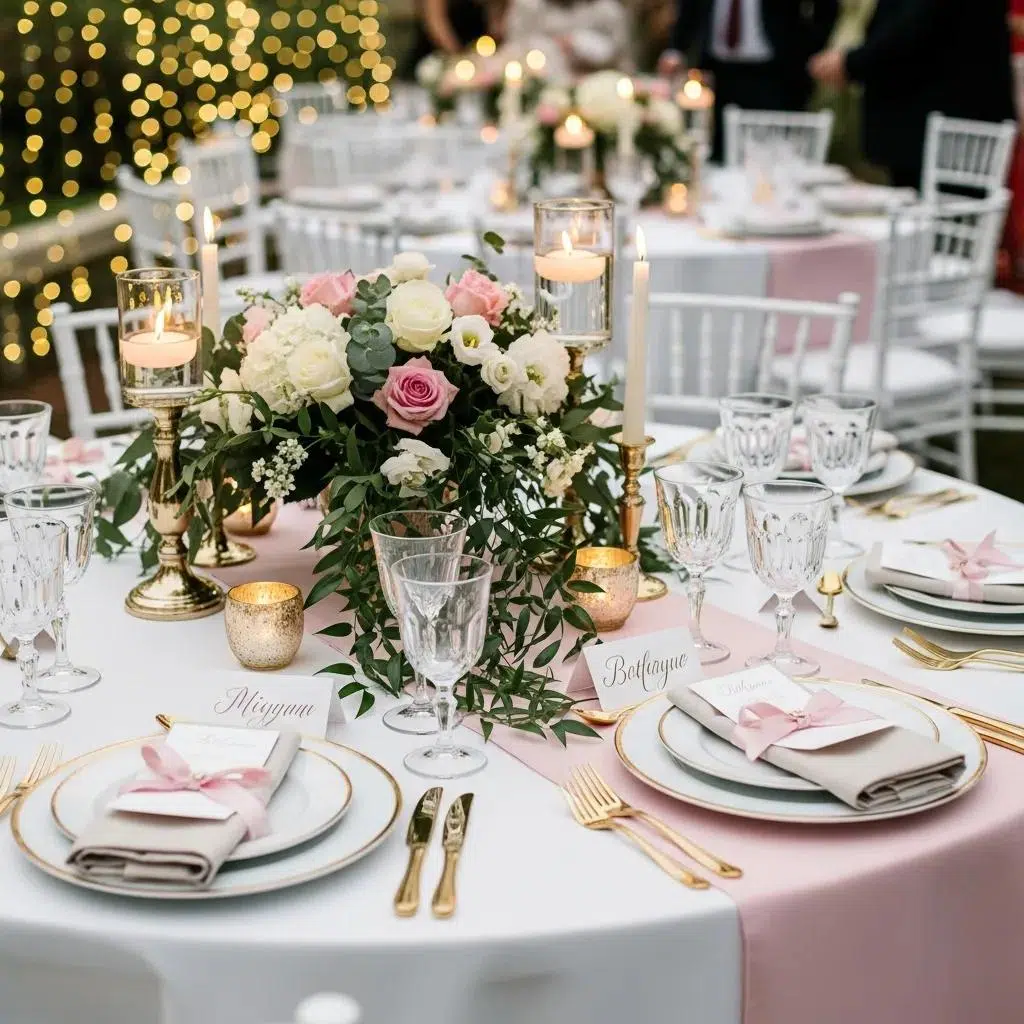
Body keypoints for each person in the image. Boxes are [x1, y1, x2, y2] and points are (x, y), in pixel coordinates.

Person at [808, 0, 1016, 188]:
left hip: (944, 125)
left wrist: (852, 63)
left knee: (938, 215)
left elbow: (914, 26)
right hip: (936, 122)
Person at [658, 0, 839, 159]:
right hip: (717, 75)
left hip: (776, 76)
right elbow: (690, 6)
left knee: (772, 158)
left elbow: (826, 7)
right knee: (711, 154)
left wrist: (808, 50)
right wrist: (676, 47)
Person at [504, 0, 632, 79]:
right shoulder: (529, 6)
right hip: (543, 86)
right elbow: (515, 47)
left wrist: (582, 47)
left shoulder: (607, 9)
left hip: (597, 86)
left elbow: (621, 56)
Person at [408, 0, 501, 66]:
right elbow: (435, 23)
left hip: (478, 57)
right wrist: (460, 57)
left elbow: (495, 26)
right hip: (439, 57)